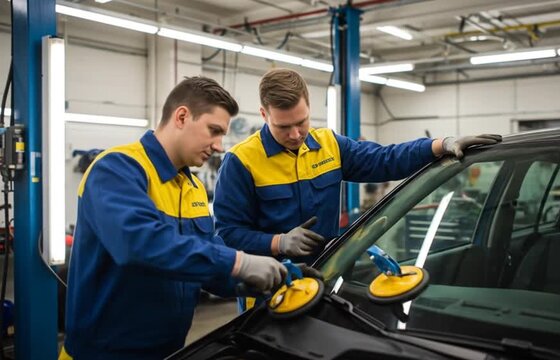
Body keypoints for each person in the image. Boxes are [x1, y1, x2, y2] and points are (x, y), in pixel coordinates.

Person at [62, 76, 312, 360]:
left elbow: (203, 264)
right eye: (214, 130)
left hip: (171, 351)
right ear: (182, 116)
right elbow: (139, 243)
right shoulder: (118, 169)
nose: (219, 146)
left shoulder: (192, 188)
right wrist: (240, 263)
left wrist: (269, 278)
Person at [213, 68, 502, 266]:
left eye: (301, 122)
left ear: (309, 107)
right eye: (283, 126)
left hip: (325, 272)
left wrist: (438, 145)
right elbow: (227, 233)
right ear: (264, 114)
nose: (295, 134)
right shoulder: (241, 161)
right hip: (267, 285)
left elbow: (384, 159)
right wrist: (278, 243)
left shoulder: (329, 145)